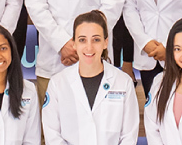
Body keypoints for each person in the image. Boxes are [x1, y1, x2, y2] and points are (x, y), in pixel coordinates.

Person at [41, 11, 140, 145]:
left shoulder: (123, 82)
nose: (89, 47)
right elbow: (52, 134)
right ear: (74, 43)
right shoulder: (57, 83)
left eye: (96, 40)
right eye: (82, 40)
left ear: (105, 42)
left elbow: (129, 136)